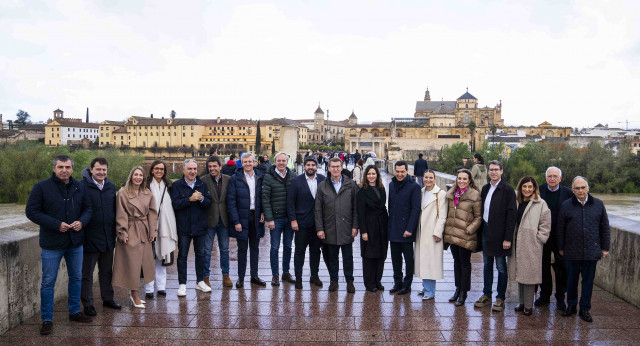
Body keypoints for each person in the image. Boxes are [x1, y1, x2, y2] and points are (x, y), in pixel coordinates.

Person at [26, 155, 94, 335]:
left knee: (76, 278)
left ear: (72, 168)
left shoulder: (80, 186)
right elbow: (31, 211)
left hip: (75, 241)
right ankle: (47, 319)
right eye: (61, 167)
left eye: (68, 167)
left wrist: (82, 221)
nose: (64, 170)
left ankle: (74, 312)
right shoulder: (41, 187)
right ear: (54, 168)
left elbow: (88, 209)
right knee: (48, 282)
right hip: (52, 243)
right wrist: (56, 224)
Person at [557, 176, 610, 323]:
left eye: (583, 187)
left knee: (588, 281)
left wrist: (605, 248)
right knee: (571, 281)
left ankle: (585, 309)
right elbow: (560, 229)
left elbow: (604, 227)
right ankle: (571, 306)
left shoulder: (598, 204)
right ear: (572, 190)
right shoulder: (566, 205)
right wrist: (561, 247)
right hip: (571, 251)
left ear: (588, 188)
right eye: (577, 188)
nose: (580, 190)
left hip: (591, 251)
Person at [79, 158, 121, 316]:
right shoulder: (81, 186)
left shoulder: (110, 186)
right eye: (98, 170)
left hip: (108, 237)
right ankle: (88, 304)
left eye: (104, 170)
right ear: (91, 170)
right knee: (87, 274)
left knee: (106, 271)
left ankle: (108, 299)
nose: (101, 172)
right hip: (89, 237)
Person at [112, 166, 158, 309]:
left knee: (144, 264)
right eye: (135, 175)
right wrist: (122, 232)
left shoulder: (147, 193)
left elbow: (152, 214)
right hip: (130, 230)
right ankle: (134, 294)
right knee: (132, 264)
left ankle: (136, 294)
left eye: (140, 175)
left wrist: (152, 232)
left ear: (143, 178)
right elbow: (120, 214)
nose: (138, 177)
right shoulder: (123, 193)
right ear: (131, 176)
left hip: (144, 230)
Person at [475, 160, 517, 312]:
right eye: (491, 170)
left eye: (496, 170)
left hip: (500, 234)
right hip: (486, 231)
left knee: (500, 267)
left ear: (501, 171)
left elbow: (512, 216)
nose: (493, 172)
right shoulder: (485, 188)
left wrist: (507, 238)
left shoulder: (507, 190)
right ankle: (487, 295)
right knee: (486, 265)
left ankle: (500, 297)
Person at [508, 176, 551, 316]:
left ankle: (529, 305)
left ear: (534, 188)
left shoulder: (540, 203)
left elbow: (545, 224)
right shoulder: (516, 201)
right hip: (517, 242)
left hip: (531, 243)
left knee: (530, 276)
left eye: (530, 187)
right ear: (520, 188)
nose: (527, 189)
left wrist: (539, 239)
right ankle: (521, 302)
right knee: (520, 274)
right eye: (524, 186)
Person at [315, 157, 359, 293]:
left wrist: (355, 226)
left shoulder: (351, 184)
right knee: (332, 258)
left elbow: (356, 208)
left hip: (346, 227)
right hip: (330, 228)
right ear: (328, 168)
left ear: (341, 167)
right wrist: (320, 228)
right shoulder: (322, 185)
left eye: (337, 166)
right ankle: (334, 281)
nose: (335, 169)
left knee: (348, 258)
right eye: (332, 167)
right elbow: (318, 209)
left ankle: (349, 281)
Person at [171, 159, 212, 296]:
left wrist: (200, 199)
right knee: (182, 256)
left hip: (200, 226)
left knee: (201, 255)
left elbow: (208, 203)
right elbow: (175, 204)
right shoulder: (176, 185)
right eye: (189, 169)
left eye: (194, 169)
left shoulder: (202, 184)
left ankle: (200, 281)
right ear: (183, 170)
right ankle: (182, 284)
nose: (192, 171)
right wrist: (190, 199)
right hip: (184, 227)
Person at [227, 153, 267, 288]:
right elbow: (231, 201)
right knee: (242, 249)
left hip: (256, 216)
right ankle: (241, 277)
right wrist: (236, 221)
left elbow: (264, 197)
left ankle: (254, 275)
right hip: (242, 217)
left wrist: (263, 212)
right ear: (241, 163)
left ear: (254, 162)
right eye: (245, 162)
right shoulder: (235, 178)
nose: (248, 164)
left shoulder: (260, 177)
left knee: (255, 248)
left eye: (250, 161)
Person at [443, 168, 482, 306]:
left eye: (465, 179)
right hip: (453, 234)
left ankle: (464, 292)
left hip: (465, 235)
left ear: (470, 180)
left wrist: (469, 230)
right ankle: (457, 289)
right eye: (459, 178)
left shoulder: (475, 195)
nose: (461, 181)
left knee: (465, 264)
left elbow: (478, 217)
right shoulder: (452, 193)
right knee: (456, 263)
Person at [537, 166, 573, 309]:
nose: (552, 179)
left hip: (561, 237)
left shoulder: (568, 193)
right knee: (543, 267)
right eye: (550, 176)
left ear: (560, 178)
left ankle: (560, 297)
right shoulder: (539, 191)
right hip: (543, 236)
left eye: (555, 176)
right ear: (546, 178)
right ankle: (544, 295)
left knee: (561, 268)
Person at [287, 157, 326, 289]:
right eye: (308, 165)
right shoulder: (296, 181)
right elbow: (290, 202)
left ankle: (314, 275)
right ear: (304, 166)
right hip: (301, 223)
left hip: (318, 224)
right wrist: (293, 220)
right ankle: (298, 277)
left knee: (315, 251)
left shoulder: (322, 179)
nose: (310, 167)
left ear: (316, 166)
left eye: (313, 165)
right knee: (300, 252)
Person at [144, 160, 178, 298]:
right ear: (152, 170)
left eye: (162, 169)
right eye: (157, 168)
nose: (159, 171)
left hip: (166, 225)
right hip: (149, 225)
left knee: (162, 257)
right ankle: (148, 288)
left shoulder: (169, 185)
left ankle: (161, 286)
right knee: (148, 258)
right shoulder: (145, 185)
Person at [262, 152, 296, 286]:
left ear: (287, 162)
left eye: (283, 160)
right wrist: (269, 219)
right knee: (274, 247)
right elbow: (265, 199)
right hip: (275, 219)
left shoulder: (293, 176)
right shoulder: (268, 177)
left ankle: (285, 272)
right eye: (279, 161)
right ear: (274, 162)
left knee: (288, 246)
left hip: (289, 219)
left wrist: (295, 218)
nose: (281, 163)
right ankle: (275, 274)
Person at [387, 161, 421, 295]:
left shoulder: (414, 186)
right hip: (394, 228)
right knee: (395, 259)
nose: (399, 174)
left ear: (407, 171)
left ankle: (407, 284)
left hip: (406, 229)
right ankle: (398, 282)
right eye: (397, 171)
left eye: (402, 171)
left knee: (408, 260)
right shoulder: (391, 184)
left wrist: (410, 228)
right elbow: (390, 206)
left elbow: (415, 209)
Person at [415, 170, 447, 300]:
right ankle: (425, 287)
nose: (428, 180)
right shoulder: (422, 192)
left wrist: (438, 232)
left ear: (435, 179)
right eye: (426, 177)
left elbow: (443, 216)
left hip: (432, 232)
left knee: (431, 263)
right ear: (423, 179)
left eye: (430, 178)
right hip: (422, 231)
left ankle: (430, 291)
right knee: (423, 260)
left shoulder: (441, 194)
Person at [201, 156, 233, 288]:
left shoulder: (228, 179)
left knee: (225, 250)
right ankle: (205, 277)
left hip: (224, 220)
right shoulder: (203, 180)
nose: (212, 169)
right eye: (210, 166)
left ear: (220, 166)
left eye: (214, 166)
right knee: (207, 250)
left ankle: (225, 275)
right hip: (209, 220)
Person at [356, 165, 389, 292]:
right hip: (369, 226)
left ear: (377, 175)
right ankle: (369, 283)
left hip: (382, 226)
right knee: (369, 256)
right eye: (369, 174)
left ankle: (377, 280)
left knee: (381, 255)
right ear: (366, 176)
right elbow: (360, 213)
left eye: (373, 174)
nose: (371, 176)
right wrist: (363, 231)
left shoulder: (381, 188)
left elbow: (384, 207)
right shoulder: (362, 191)